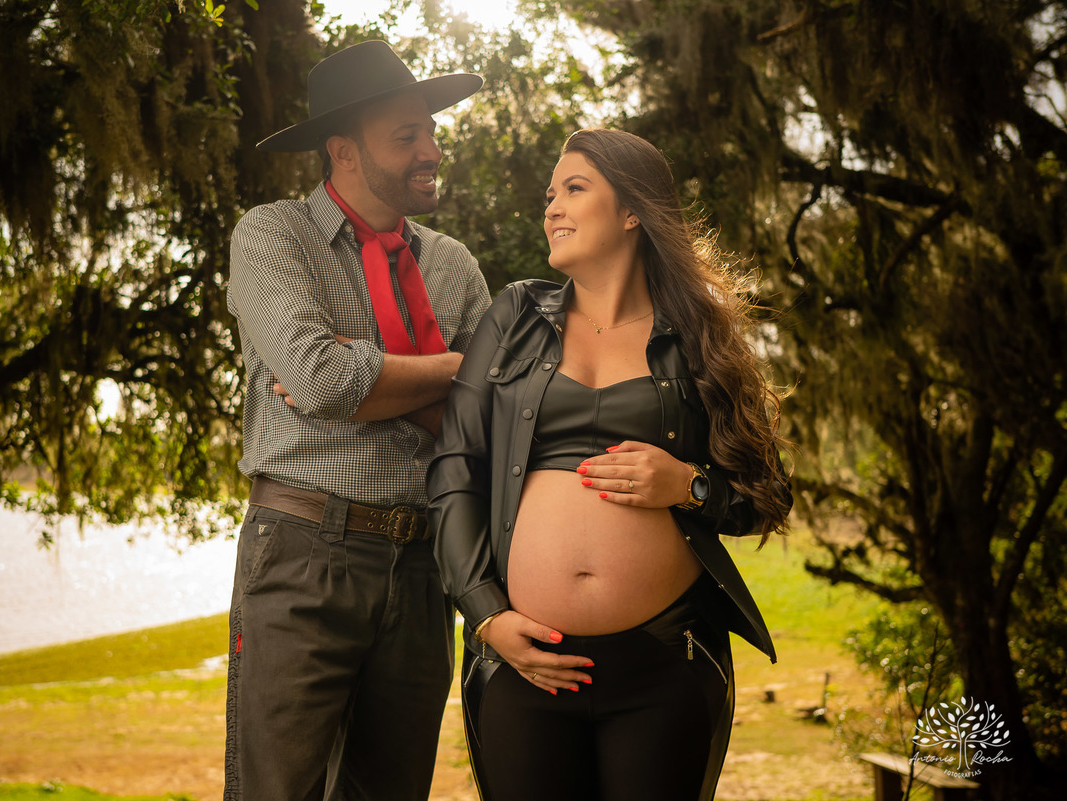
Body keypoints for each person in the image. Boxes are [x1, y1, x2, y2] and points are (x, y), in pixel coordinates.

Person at [427, 128, 792, 801]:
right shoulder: (512, 318)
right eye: (549, 194)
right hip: (524, 660)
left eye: (574, 188)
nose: (552, 207)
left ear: (632, 211)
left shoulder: (698, 334)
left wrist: (686, 483)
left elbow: (765, 494)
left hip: (664, 660)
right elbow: (455, 469)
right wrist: (484, 614)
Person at [223, 40, 490, 801]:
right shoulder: (273, 237)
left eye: (430, 132)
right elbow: (321, 377)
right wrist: (461, 369)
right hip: (305, 551)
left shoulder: (453, 265)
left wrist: (365, 372)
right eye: (406, 136)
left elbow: (488, 422)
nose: (431, 150)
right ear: (343, 151)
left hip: (421, 564)